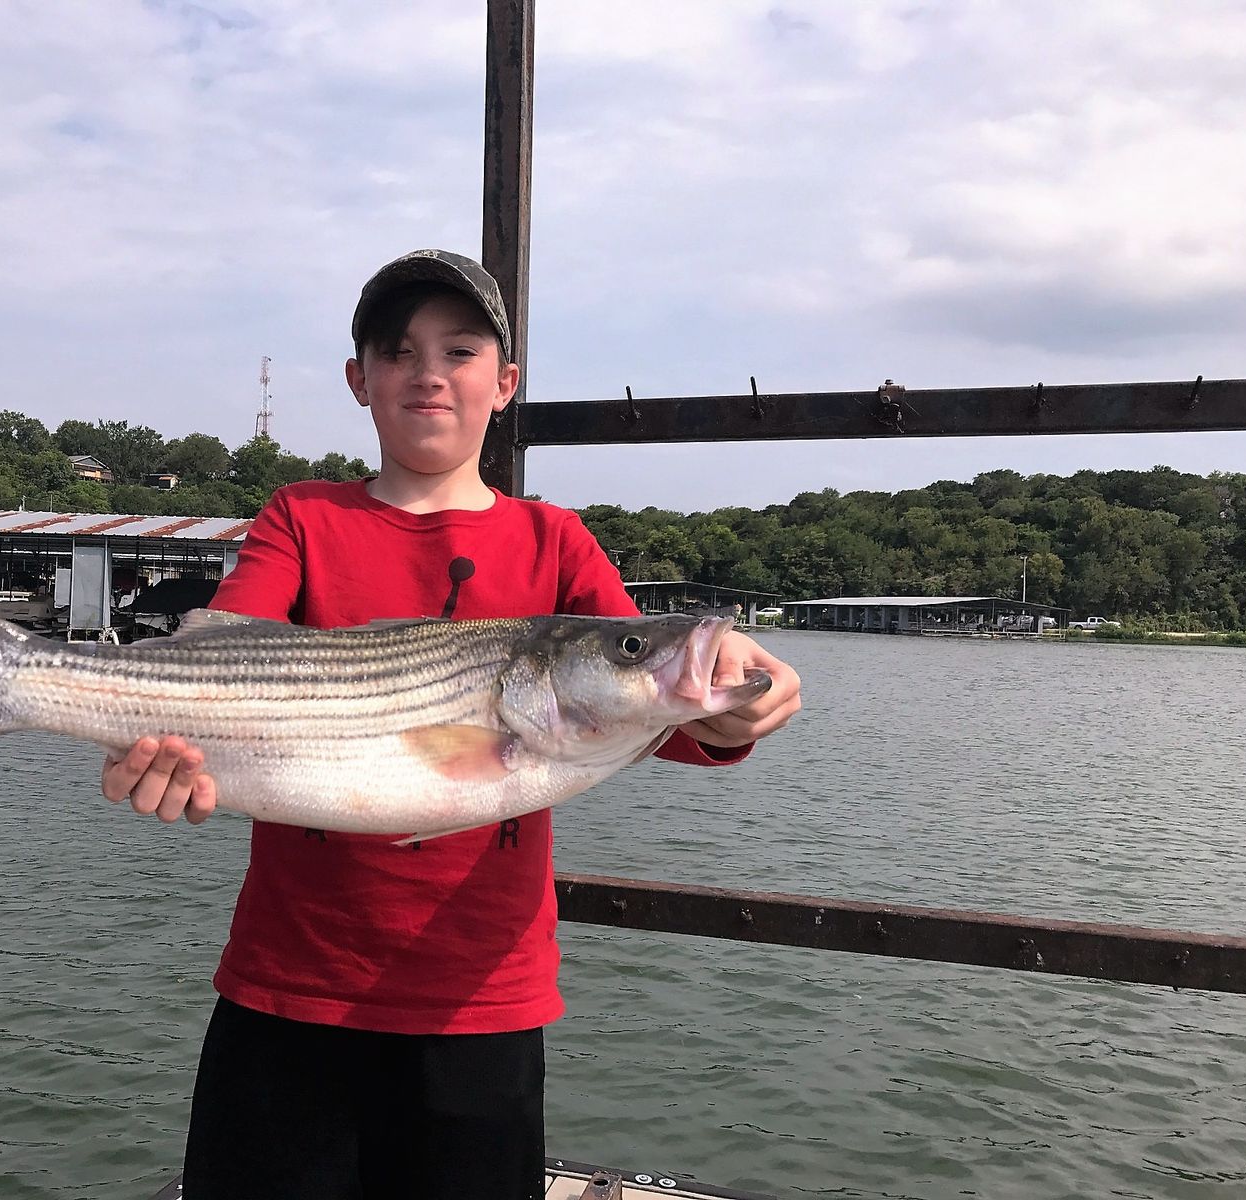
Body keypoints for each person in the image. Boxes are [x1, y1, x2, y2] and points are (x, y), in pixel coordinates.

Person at [100, 248, 802, 1199]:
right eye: (397, 351)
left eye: (459, 350)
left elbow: (670, 715)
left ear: (504, 382)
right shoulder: (302, 517)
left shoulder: (556, 541)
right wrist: (156, 751)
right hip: (288, 987)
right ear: (359, 380)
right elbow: (223, 662)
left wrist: (738, 704)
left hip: (483, 1003)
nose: (427, 373)